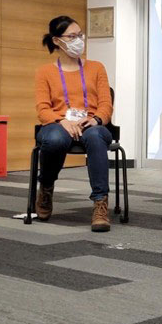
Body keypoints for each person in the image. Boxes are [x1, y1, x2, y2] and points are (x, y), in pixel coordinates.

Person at [36, 16, 114, 232]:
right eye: (72, 36)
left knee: (95, 136)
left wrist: (96, 119)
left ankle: (100, 203)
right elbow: (42, 108)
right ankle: (46, 186)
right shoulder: (45, 72)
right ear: (56, 41)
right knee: (54, 139)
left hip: (92, 124)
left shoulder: (97, 68)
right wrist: (62, 122)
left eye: (80, 35)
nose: (79, 40)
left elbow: (106, 104)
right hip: (58, 124)